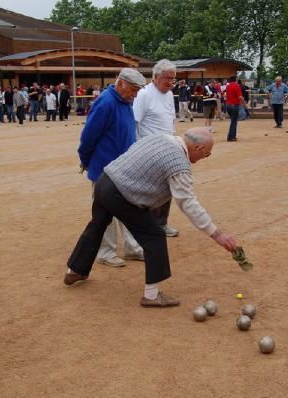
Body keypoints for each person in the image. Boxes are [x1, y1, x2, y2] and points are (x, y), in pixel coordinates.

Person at [64, 128, 237, 307]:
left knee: (96, 226)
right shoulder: (178, 164)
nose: (204, 159)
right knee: (155, 236)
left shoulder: (159, 137)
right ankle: (151, 296)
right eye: (206, 155)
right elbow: (187, 203)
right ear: (198, 148)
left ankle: (75, 270)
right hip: (122, 194)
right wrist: (217, 234)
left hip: (105, 180)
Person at [78, 68, 146, 267]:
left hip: (123, 168)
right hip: (104, 169)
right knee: (104, 212)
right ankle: (106, 252)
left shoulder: (125, 102)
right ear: (121, 83)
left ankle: (132, 248)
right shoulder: (106, 102)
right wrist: (85, 160)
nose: (134, 95)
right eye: (133, 90)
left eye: (137, 91)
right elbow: (88, 135)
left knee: (128, 208)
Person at [133, 59, 179, 238]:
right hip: (148, 150)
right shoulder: (144, 95)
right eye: (167, 78)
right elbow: (134, 122)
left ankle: (162, 223)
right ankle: (149, 227)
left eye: (173, 78)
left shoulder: (168, 94)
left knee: (167, 189)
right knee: (150, 192)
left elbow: (170, 121)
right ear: (156, 76)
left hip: (167, 148)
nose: (170, 82)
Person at [225, 76, 243, 141]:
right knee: (234, 122)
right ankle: (230, 137)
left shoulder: (228, 86)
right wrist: (243, 102)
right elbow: (240, 96)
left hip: (228, 106)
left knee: (233, 121)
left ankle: (233, 136)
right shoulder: (237, 86)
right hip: (234, 106)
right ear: (236, 80)